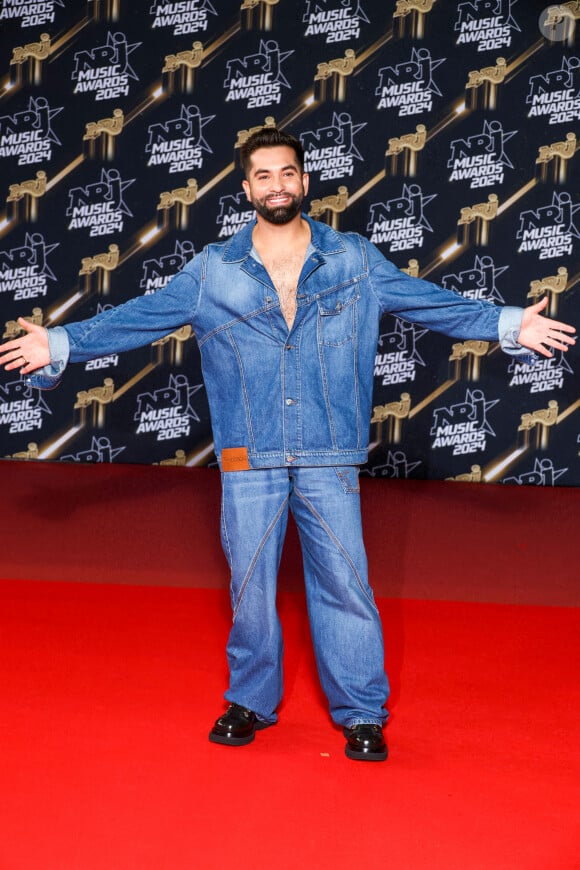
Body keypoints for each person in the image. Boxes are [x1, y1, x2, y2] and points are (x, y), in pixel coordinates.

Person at [1, 127, 575, 761]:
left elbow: (430, 303)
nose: (278, 185)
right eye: (264, 176)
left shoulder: (355, 259)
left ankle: (362, 712)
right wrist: (58, 344)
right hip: (250, 455)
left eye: (288, 173)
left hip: (330, 452)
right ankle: (250, 701)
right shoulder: (211, 272)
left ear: (304, 180)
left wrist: (509, 324)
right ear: (246, 188)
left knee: (345, 585)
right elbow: (133, 319)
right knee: (250, 589)